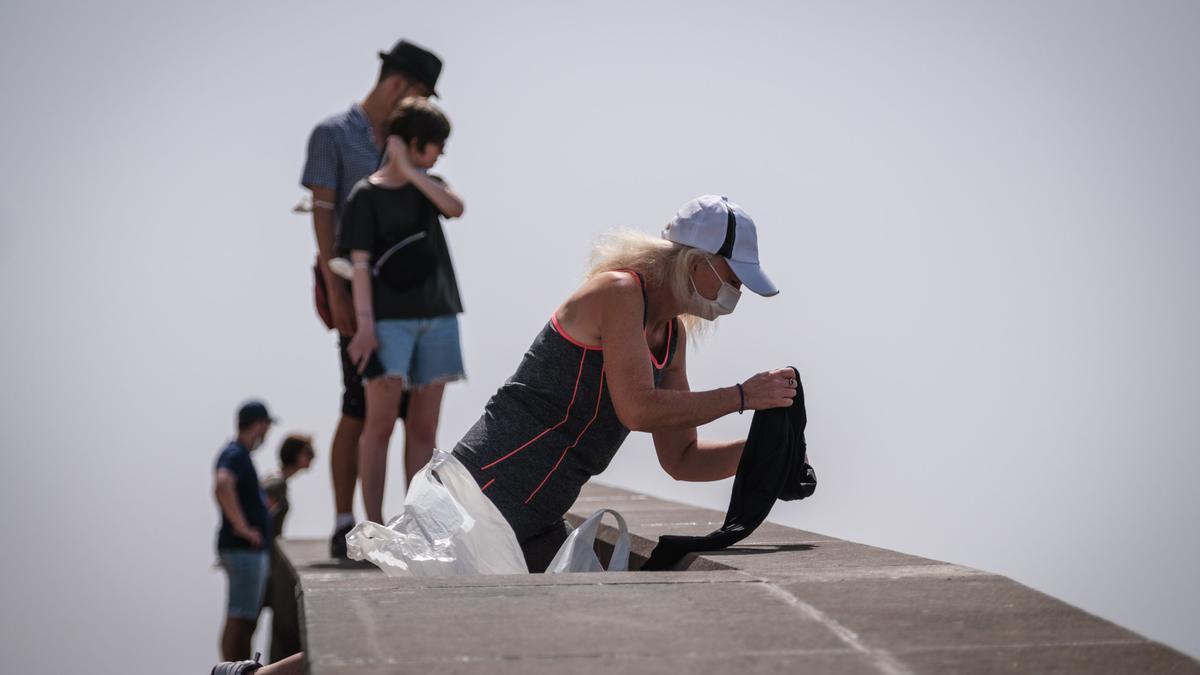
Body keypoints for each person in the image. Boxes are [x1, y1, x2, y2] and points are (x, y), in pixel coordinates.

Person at [452, 195, 799, 572]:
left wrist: (769, 451)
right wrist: (743, 396)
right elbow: (637, 408)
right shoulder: (620, 292)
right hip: (479, 499)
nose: (738, 292)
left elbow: (682, 459)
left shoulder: (673, 337)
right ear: (697, 263)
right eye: (734, 278)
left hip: (538, 518)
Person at [300, 38, 444, 558]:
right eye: (423, 93)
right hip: (355, 289)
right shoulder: (333, 135)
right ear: (401, 84)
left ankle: (406, 524)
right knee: (359, 406)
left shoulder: (409, 138)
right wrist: (336, 292)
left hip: (410, 298)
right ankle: (348, 522)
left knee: (410, 413)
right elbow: (322, 213)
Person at [341, 97, 466, 525]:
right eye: (436, 144)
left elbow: (456, 207)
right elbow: (358, 265)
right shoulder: (364, 195)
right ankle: (373, 525)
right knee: (378, 427)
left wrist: (412, 173)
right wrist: (364, 327)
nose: (442, 153)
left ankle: (418, 523)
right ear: (414, 142)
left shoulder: (430, 187)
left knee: (423, 429)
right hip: (387, 323)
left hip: (438, 316)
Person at [213, 400, 276, 661]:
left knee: (244, 617)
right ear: (259, 425)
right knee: (239, 617)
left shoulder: (239, 454)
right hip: (243, 550)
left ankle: (236, 666)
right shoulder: (235, 453)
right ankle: (233, 668)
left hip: (244, 550)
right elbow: (222, 485)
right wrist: (244, 528)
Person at [261, 435, 314, 663]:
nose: (313, 458)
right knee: (285, 626)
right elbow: (260, 505)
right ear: (297, 454)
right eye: (309, 453)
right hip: (269, 561)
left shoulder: (279, 481)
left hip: (268, 559)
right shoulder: (277, 483)